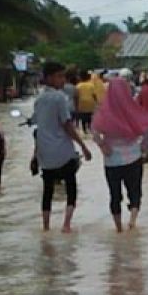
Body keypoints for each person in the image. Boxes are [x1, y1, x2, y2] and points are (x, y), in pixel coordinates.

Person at [33, 61, 93, 232]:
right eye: (60, 76)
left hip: (45, 152)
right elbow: (67, 125)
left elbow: (38, 127)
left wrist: (35, 154)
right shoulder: (60, 98)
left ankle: (45, 227)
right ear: (50, 78)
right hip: (62, 150)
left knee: (48, 190)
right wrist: (83, 146)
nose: (63, 80)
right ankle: (66, 225)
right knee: (71, 186)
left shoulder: (38, 100)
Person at [92, 77, 148, 232]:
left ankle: (118, 228)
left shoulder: (103, 111)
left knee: (115, 195)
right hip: (133, 157)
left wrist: (102, 145)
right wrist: (143, 147)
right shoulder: (133, 108)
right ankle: (132, 221)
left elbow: (94, 131)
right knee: (135, 191)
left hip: (112, 160)